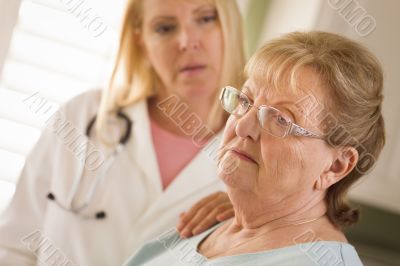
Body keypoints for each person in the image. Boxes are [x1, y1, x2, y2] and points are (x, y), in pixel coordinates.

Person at [0, 0, 245, 265]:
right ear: (141, 41)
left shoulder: (253, 155)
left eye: (206, 19)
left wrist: (247, 218)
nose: (187, 41)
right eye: (164, 28)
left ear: (230, 26)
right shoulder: (82, 117)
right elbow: (15, 244)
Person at [124, 31, 385, 266]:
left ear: (336, 166)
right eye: (245, 101)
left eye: (281, 119)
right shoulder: (210, 224)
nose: (242, 127)